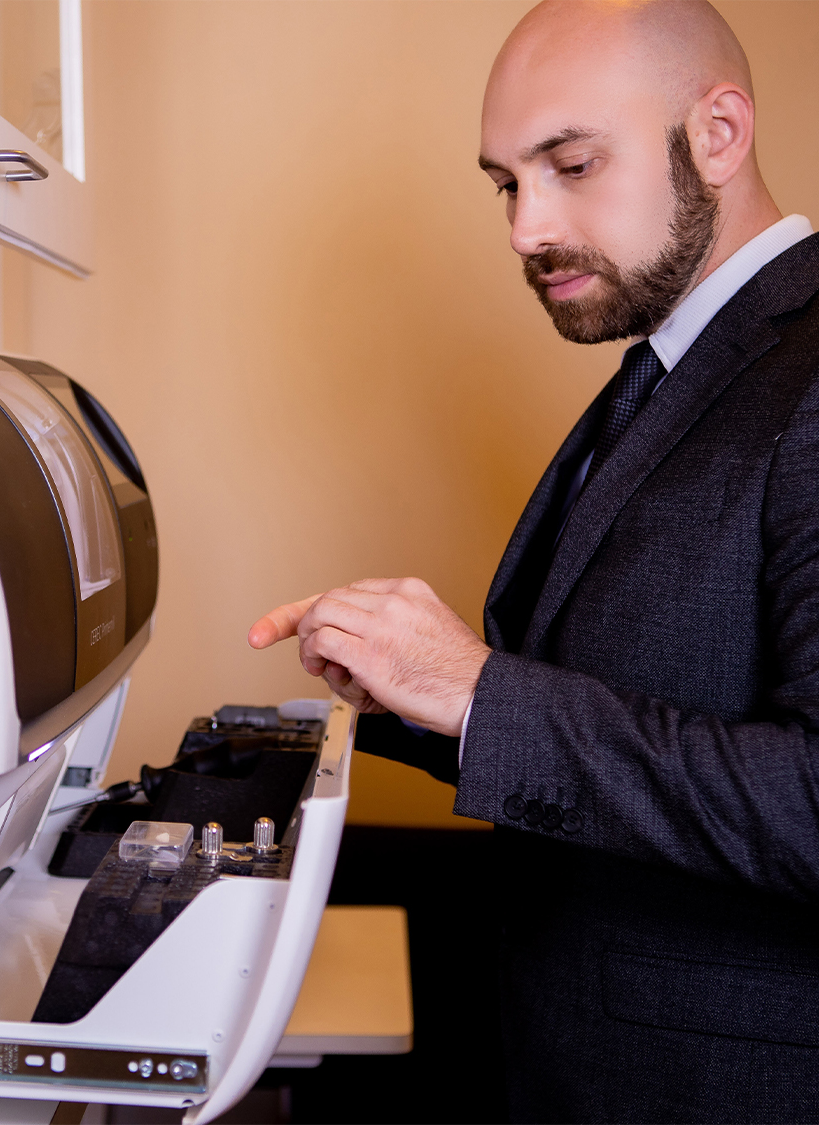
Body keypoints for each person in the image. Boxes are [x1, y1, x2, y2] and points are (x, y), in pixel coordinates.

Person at [250, 2, 819, 1121]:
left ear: (718, 134)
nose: (524, 227)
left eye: (569, 164)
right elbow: (647, 693)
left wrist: (478, 690)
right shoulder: (683, 360)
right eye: (507, 183)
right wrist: (427, 706)